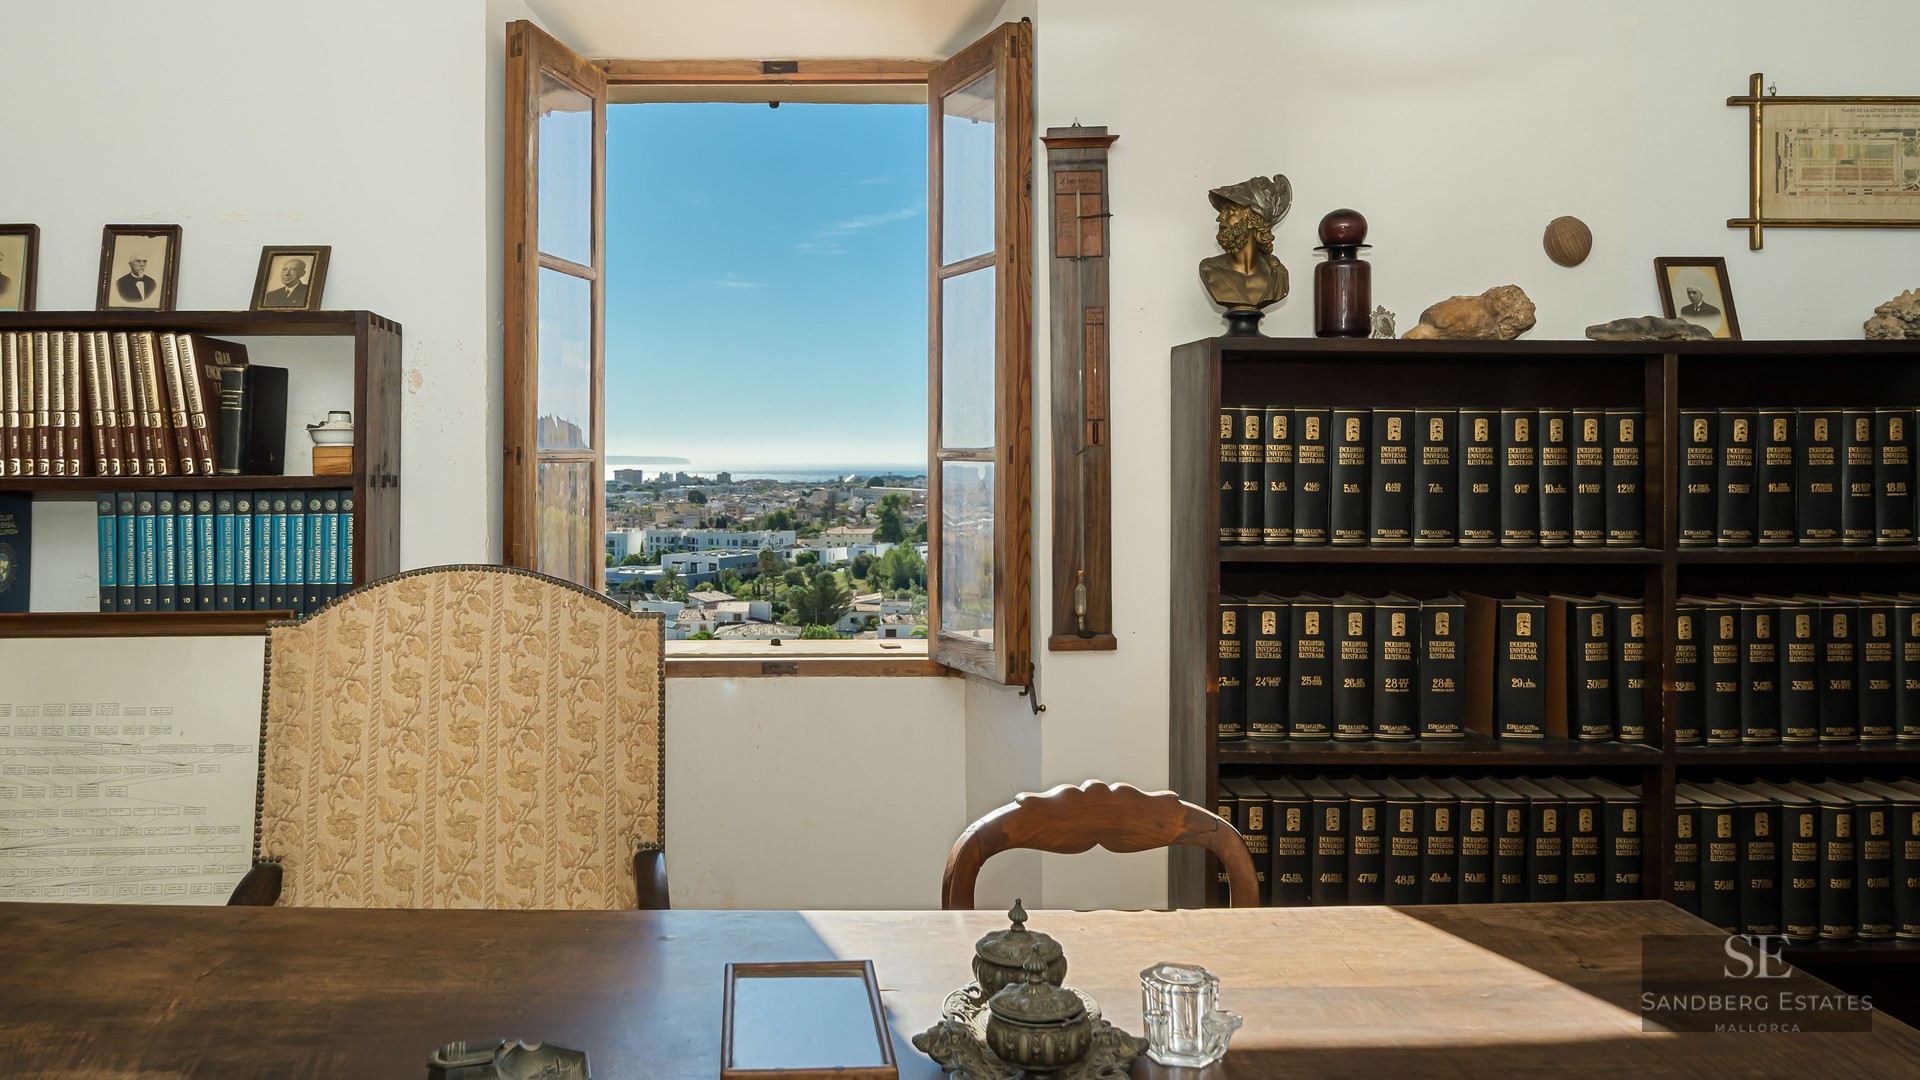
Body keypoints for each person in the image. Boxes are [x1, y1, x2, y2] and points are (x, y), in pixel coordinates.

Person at [1198, 174, 1291, 311]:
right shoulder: (1209, 269)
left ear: (1252, 219)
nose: (1220, 218)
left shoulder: (1277, 275)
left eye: (1230, 211)